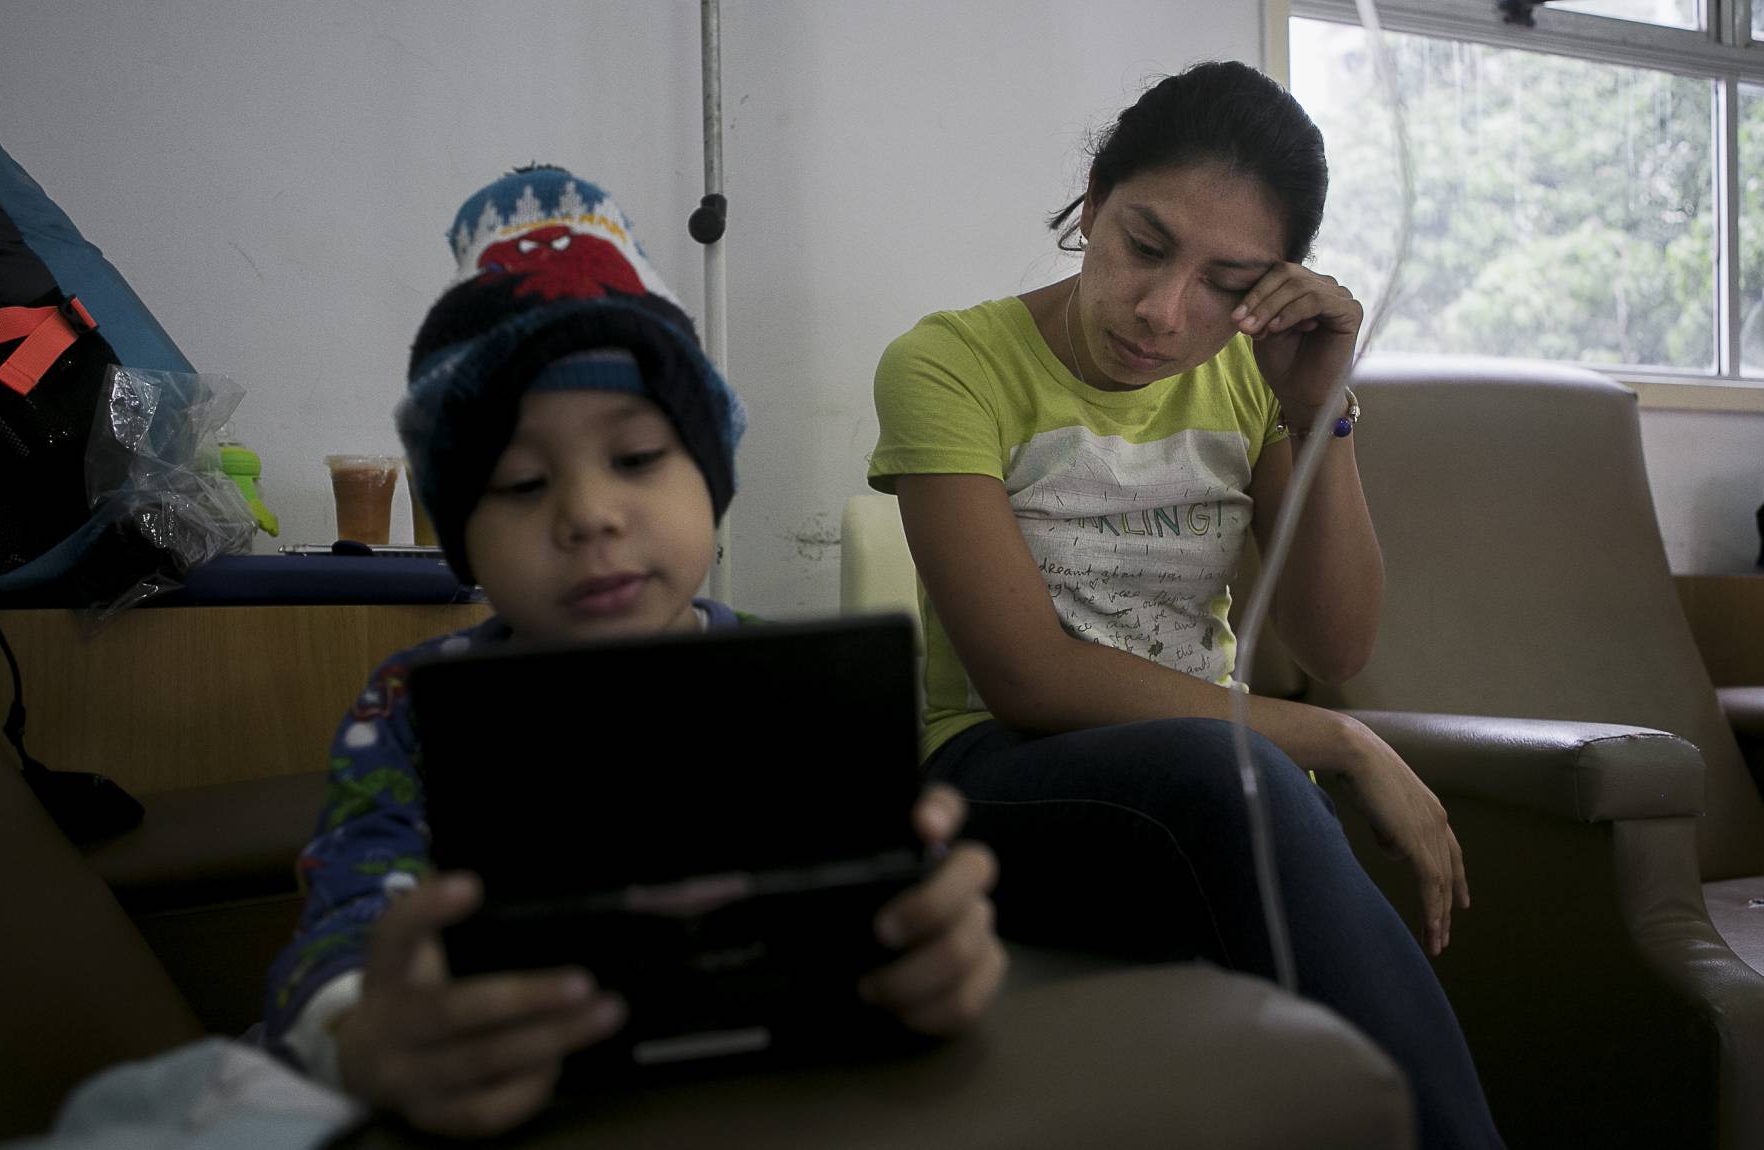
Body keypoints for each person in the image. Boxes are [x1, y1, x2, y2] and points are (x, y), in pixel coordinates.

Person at [262, 167, 1005, 1140]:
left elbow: (887, 888)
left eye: (638, 458)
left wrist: (940, 946)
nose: (588, 515)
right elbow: (351, 911)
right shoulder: (411, 706)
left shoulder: (797, 691)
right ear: (460, 536)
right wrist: (363, 1033)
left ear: (711, 477)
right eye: (522, 482)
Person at [868, 62, 1503, 1148]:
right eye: (1144, 245)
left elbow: (1335, 638)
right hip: (997, 780)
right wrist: (1338, 741)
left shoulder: (1256, 380)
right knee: (1246, 777)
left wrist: (1318, 415)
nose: (1163, 312)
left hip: (1211, 788)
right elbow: (1026, 674)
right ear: (1094, 196)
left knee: (1244, 798)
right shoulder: (949, 364)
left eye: (1225, 281)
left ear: (1274, 284)